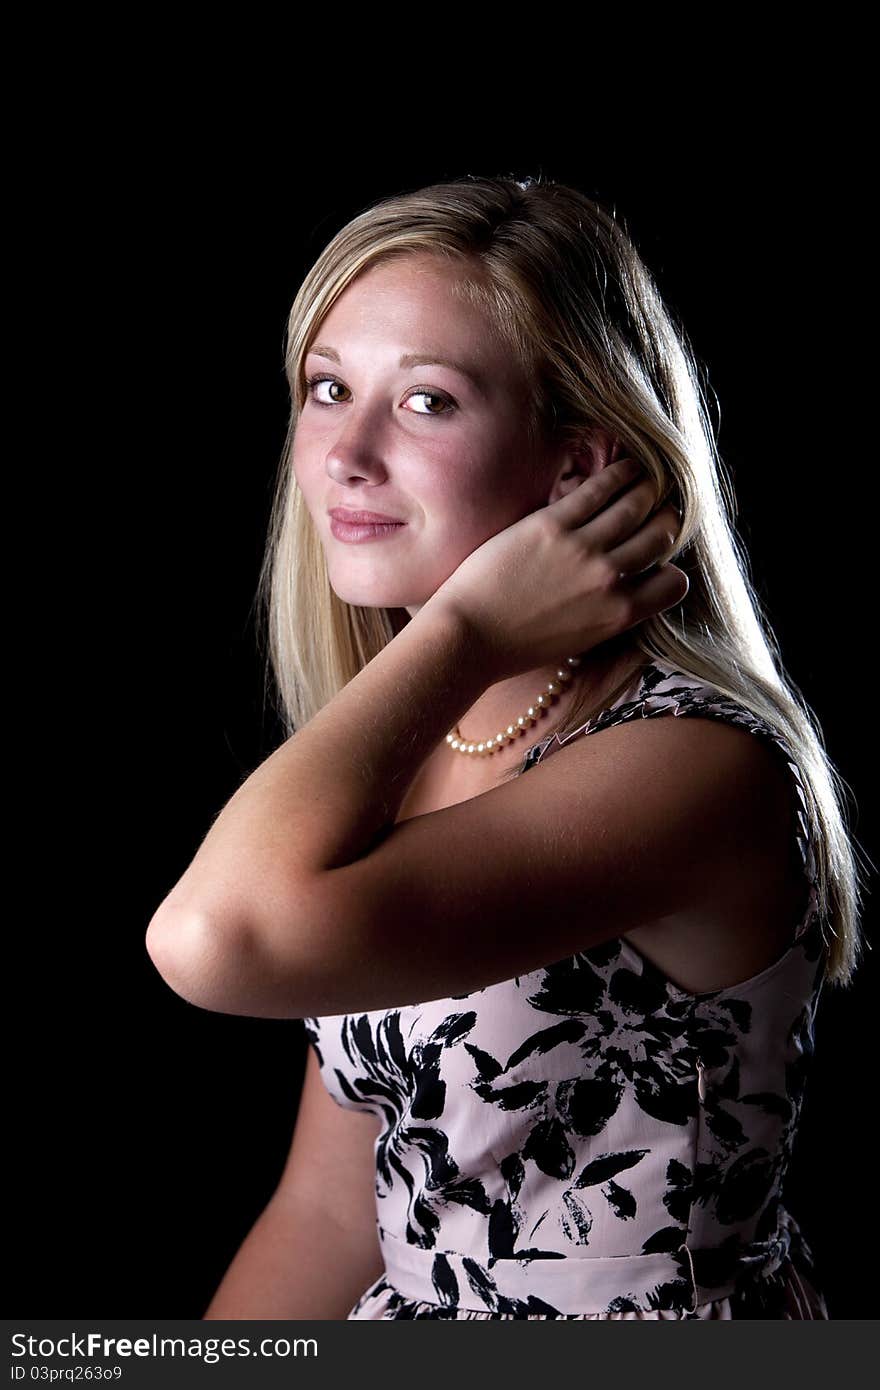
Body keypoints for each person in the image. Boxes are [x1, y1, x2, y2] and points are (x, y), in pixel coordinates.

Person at [147, 175, 868, 1320]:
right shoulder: (418, 748)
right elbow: (331, 1216)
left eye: (426, 402)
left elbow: (212, 940)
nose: (344, 452)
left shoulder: (693, 764)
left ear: (577, 468)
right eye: (328, 389)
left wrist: (465, 628)